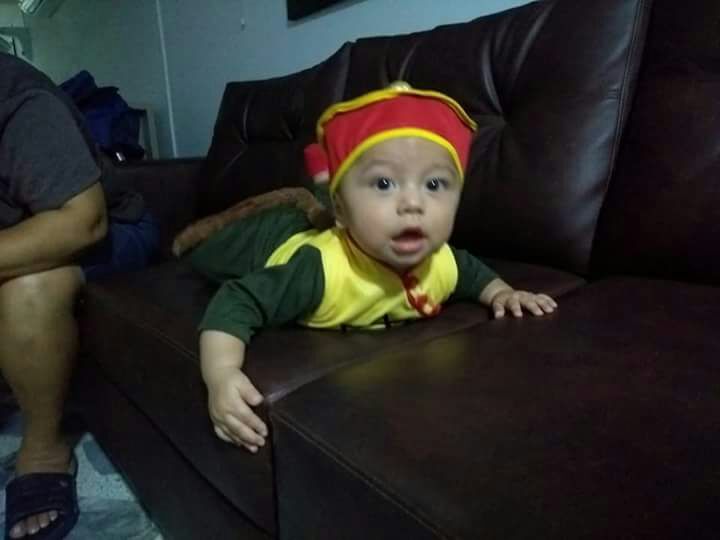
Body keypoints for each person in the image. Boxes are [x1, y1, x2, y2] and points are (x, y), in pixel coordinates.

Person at [186, 82, 558, 455]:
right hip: (273, 240)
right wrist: (220, 374)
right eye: (384, 183)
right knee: (208, 252)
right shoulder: (318, 271)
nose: (412, 203)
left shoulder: (443, 261)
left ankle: (326, 178)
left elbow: (472, 273)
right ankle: (321, 188)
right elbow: (237, 300)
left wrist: (503, 292)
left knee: (327, 205)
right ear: (344, 211)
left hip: (341, 218)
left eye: (434, 184)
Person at [0, 53, 158, 539]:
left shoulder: (19, 102)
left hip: (108, 231)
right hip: (20, 230)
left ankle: (44, 450)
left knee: (28, 287)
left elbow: (81, 222)